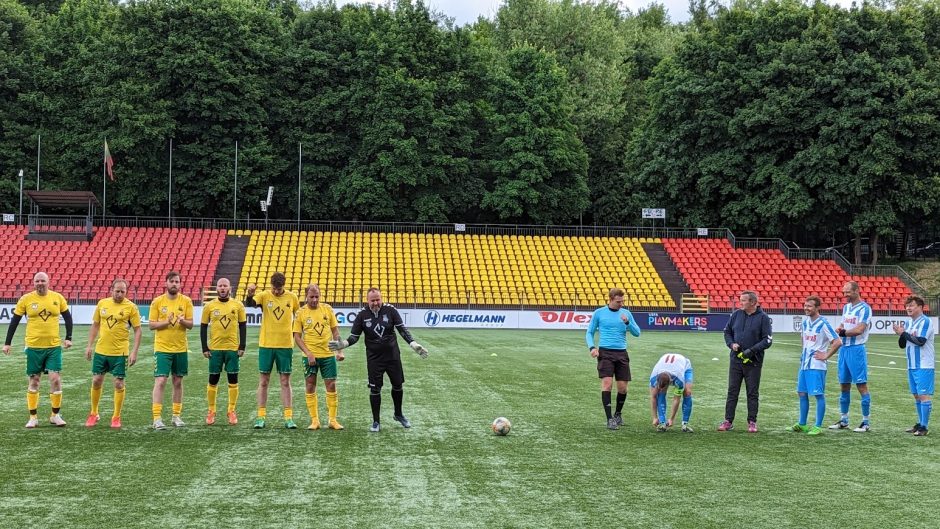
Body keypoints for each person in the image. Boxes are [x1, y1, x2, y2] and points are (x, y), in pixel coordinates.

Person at [329, 287, 428, 432]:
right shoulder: (362, 315)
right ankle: (376, 422)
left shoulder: (391, 310)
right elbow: (354, 337)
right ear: (367, 301)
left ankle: (398, 414)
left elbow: (402, 329)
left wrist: (413, 344)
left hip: (393, 356)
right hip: (374, 359)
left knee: (398, 385)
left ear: (381, 298)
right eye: (372, 300)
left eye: (378, 300)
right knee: (375, 389)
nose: (375, 303)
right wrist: (342, 344)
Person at [3, 272, 74, 428]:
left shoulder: (57, 297)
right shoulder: (26, 299)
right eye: (37, 281)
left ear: (48, 282)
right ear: (33, 283)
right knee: (34, 380)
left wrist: (68, 337)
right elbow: (14, 321)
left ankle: (55, 415)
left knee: (55, 379)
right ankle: (33, 417)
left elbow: (68, 318)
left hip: (53, 347)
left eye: (43, 280)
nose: (40, 283)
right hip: (34, 347)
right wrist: (7, 343)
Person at [245, 272, 300, 429]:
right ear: (271, 286)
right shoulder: (264, 295)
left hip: (285, 345)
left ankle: (288, 418)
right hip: (266, 345)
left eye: (279, 288)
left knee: (285, 381)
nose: (276, 291)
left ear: (284, 285)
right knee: (263, 381)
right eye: (274, 288)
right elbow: (250, 304)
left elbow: (299, 316)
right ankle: (260, 417)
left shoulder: (292, 298)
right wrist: (250, 294)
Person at [84, 279, 142, 428]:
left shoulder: (131, 307)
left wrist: (134, 352)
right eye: (117, 291)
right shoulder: (102, 304)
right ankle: (94, 413)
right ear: (111, 290)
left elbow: (137, 330)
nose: (120, 294)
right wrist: (89, 345)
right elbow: (95, 325)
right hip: (101, 350)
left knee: (118, 383)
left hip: (120, 353)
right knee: (96, 380)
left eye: (123, 291)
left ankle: (116, 416)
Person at [585, 288, 641, 430]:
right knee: (607, 384)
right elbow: (589, 332)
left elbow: (637, 333)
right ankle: (609, 419)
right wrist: (592, 347)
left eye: (622, 301)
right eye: (618, 302)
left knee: (622, 388)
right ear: (610, 299)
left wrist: (628, 323)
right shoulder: (599, 313)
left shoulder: (626, 314)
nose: (621, 304)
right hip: (605, 353)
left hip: (621, 353)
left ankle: (618, 414)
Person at [718, 290, 772, 433]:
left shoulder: (763, 318)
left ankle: (752, 421)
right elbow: (727, 332)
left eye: (743, 300)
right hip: (735, 360)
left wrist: (751, 351)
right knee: (732, 391)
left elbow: (767, 340)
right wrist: (731, 344)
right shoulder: (736, 315)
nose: (740, 303)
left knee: (752, 392)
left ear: (753, 302)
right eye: (740, 300)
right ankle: (728, 421)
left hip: (753, 362)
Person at [293, 284, 344, 430]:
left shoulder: (327, 309)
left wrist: (339, 351)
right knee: (310, 385)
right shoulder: (301, 313)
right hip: (310, 356)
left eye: (317, 297)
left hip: (328, 354)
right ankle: (315, 420)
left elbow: (335, 331)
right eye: (311, 297)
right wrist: (308, 353)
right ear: (306, 297)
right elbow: (297, 336)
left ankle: (332, 420)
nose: (315, 300)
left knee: (331, 385)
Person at [149, 271, 195, 430]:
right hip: (162, 348)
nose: (174, 284)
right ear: (166, 283)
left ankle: (176, 416)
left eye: (177, 281)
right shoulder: (157, 302)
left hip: (181, 348)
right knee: (161, 381)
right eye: (172, 281)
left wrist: (183, 321)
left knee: (178, 381)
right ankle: (157, 418)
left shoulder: (187, 301)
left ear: (180, 284)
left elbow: (190, 325)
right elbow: (151, 325)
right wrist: (166, 322)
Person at [792, 296, 842, 436]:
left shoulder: (823, 323)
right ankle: (802, 424)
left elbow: (837, 341)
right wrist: (803, 353)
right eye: (805, 305)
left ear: (817, 307)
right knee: (802, 393)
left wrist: (826, 355)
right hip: (805, 364)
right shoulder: (805, 322)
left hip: (816, 365)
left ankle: (818, 426)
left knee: (818, 395)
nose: (806, 308)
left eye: (809, 306)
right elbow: (803, 339)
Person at [200, 277, 247, 426]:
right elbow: (203, 327)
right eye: (220, 286)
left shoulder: (238, 305)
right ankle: (211, 410)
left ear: (230, 288)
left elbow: (242, 326)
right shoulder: (209, 306)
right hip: (215, 349)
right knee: (213, 380)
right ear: (217, 289)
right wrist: (205, 348)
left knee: (233, 380)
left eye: (225, 286)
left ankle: (231, 410)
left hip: (232, 349)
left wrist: (242, 346)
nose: (222, 288)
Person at [830, 281, 873, 432]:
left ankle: (866, 422)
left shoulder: (865, 308)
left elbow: (860, 329)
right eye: (844, 292)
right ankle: (844, 419)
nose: (845, 295)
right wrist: (839, 329)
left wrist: (842, 333)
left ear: (856, 291)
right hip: (844, 349)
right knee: (844, 385)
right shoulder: (846, 307)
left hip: (856, 349)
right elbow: (843, 325)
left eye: (847, 292)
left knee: (861, 385)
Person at [893, 295, 935, 436]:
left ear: (920, 307)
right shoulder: (909, 322)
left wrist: (903, 333)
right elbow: (902, 344)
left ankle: (924, 427)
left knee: (923, 395)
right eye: (907, 306)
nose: (908, 308)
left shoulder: (926, 322)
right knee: (917, 396)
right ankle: (920, 423)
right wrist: (901, 334)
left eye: (911, 305)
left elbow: (921, 341)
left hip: (924, 364)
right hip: (911, 364)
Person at [648, 353, 694, 433]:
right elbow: (654, 397)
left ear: (670, 382)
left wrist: (671, 419)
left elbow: (676, 399)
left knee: (687, 392)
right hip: (666, 365)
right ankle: (662, 422)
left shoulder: (679, 379)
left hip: (685, 367)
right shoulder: (654, 377)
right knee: (659, 392)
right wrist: (655, 418)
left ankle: (685, 424)